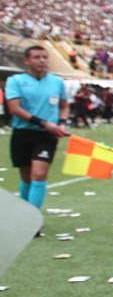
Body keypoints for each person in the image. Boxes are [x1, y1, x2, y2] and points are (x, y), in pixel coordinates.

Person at [4, 46, 70, 217]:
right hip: (23, 133)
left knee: (39, 175)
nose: (42, 60)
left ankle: (32, 218)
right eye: (37, 57)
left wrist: (61, 123)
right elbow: (14, 108)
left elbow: (64, 106)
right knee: (26, 178)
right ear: (27, 61)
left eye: (45, 57)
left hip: (47, 135)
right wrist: (43, 123)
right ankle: (24, 215)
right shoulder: (16, 81)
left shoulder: (57, 82)